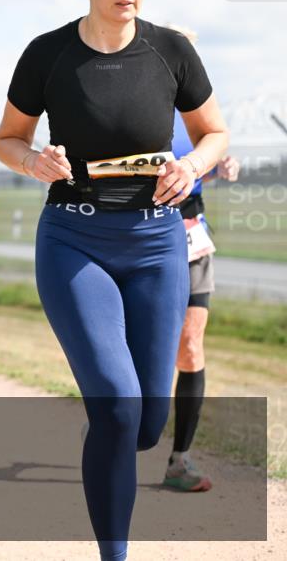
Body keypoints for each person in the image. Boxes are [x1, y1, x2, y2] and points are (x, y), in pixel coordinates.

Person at [0, 0, 229, 561]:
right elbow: (7, 139)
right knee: (118, 410)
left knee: (147, 425)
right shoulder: (47, 54)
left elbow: (214, 133)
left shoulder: (172, 50)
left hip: (156, 248)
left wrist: (193, 166)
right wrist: (33, 160)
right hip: (75, 241)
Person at [162, 24, 240, 493]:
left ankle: (179, 460)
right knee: (136, 352)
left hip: (191, 234)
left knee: (190, 345)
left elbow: (208, 160)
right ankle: (114, 422)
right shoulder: (132, 106)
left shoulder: (198, 108)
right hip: (138, 236)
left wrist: (222, 167)